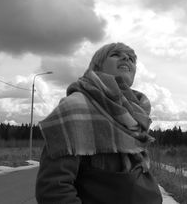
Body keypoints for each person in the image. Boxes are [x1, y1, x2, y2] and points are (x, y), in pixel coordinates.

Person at [36, 42, 162, 204]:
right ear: (97, 66)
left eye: (131, 58)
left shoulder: (136, 114)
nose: (126, 58)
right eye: (115, 54)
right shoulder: (76, 107)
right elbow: (53, 189)